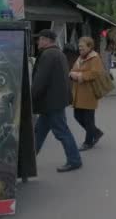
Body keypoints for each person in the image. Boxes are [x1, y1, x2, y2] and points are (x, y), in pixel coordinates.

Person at [32, 29, 82, 172]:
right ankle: (26, 163)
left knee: (61, 131)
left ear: (47, 40)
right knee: (39, 132)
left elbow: (40, 81)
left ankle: (74, 160)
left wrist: (31, 96)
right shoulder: (58, 53)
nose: (38, 42)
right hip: (54, 101)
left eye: (40, 39)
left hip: (51, 102)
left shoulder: (48, 55)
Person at [70, 37, 105, 151]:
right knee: (77, 116)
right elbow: (74, 69)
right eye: (79, 46)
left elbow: (95, 73)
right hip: (79, 93)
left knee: (89, 119)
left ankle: (88, 142)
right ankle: (96, 132)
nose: (80, 48)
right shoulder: (81, 57)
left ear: (89, 47)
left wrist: (80, 76)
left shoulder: (94, 58)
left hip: (89, 93)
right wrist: (72, 74)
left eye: (82, 47)